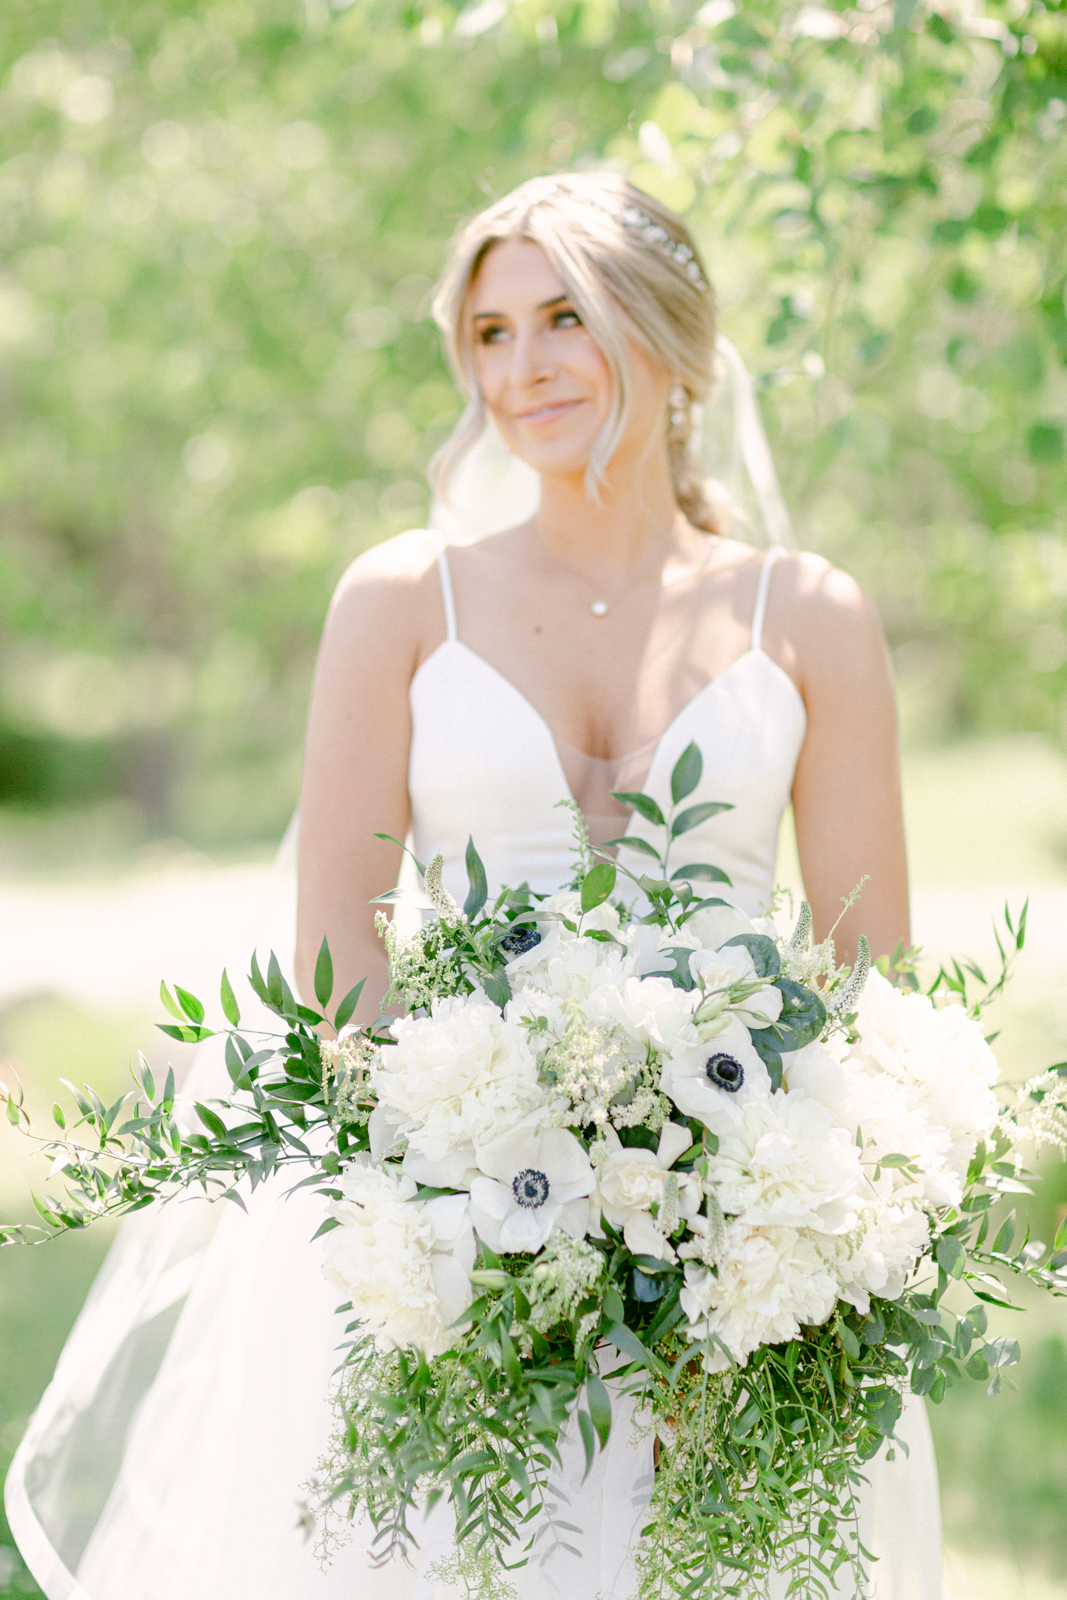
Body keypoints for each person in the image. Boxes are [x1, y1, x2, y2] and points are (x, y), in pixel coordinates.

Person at [6, 172, 941, 1600]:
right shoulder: (400, 601)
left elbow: (874, 980)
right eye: (489, 331)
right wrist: (469, 1226)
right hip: (453, 1246)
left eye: (565, 317)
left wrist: (758, 1225)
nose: (521, 368)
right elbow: (339, 968)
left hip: (747, 1262)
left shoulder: (806, 614)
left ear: (671, 333)